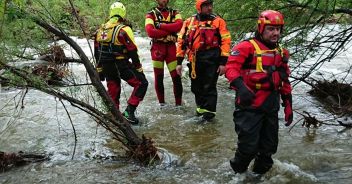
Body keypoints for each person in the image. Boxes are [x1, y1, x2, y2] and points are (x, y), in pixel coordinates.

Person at [225, 10, 293, 174]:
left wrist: (288, 105)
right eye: (271, 29)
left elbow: (284, 79)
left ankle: (258, 177)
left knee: (268, 150)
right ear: (261, 28)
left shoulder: (281, 52)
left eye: (278, 29)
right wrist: (241, 87)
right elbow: (231, 68)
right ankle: (237, 175)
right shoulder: (246, 47)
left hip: (271, 106)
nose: (275, 33)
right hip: (249, 107)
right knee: (248, 148)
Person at [176, 0, 231, 121]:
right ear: (199, 7)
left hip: (212, 59)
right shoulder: (189, 22)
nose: (210, 8)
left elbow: (226, 41)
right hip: (194, 59)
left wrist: (223, 63)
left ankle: (209, 115)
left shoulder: (218, 21)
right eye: (206, 6)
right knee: (196, 87)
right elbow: (181, 42)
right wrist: (179, 63)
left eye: (210, 5)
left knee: (209, 86)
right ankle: (200, 110)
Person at [95, 2, 148, 124]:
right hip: (120, 64)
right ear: (123, 14)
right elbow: (133, 51)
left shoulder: (99, 31)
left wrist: (99, 71)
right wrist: (138, 68)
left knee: (113, 89)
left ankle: (114, 117)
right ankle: (129, 112)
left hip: (106, 66)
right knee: (142, 83)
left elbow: (97, 53)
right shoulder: (124, 30)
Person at [145, 0, 183, 107]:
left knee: (176, 77)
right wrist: (170, 31)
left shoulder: (175, 12)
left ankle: (178, 105)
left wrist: (160, 26)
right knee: (159, 77)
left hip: (171, 48)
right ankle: (162, 104)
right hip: (157, 48)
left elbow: (179, 25)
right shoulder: (150, 13)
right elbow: (150, 31)